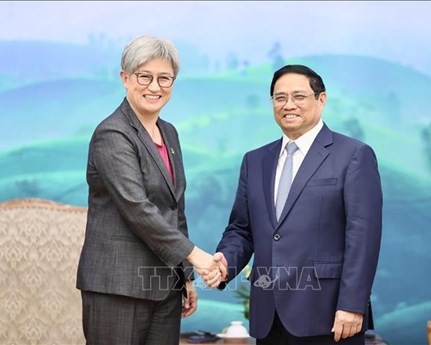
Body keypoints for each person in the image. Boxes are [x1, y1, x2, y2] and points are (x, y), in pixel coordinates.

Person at [213, 64, 382, 345]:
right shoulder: (254, 161)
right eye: (280, 98)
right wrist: (224, 263)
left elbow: (363, 237)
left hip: (330, 317)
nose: (288, 105)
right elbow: (241, 229)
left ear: (321, 99)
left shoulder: (353, 155)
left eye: (299, 96)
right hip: (269, 318)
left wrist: (352, 305)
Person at [76, 35, 221, 345]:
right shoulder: (112, 133)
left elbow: (174, 208)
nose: (154, 87)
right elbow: (137, 209)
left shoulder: (169, 133)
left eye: (164, 78)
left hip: (165, 285)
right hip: (118, 287)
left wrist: (185, 276)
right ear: (125, 78)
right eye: (145, 76)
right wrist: (196, 256)